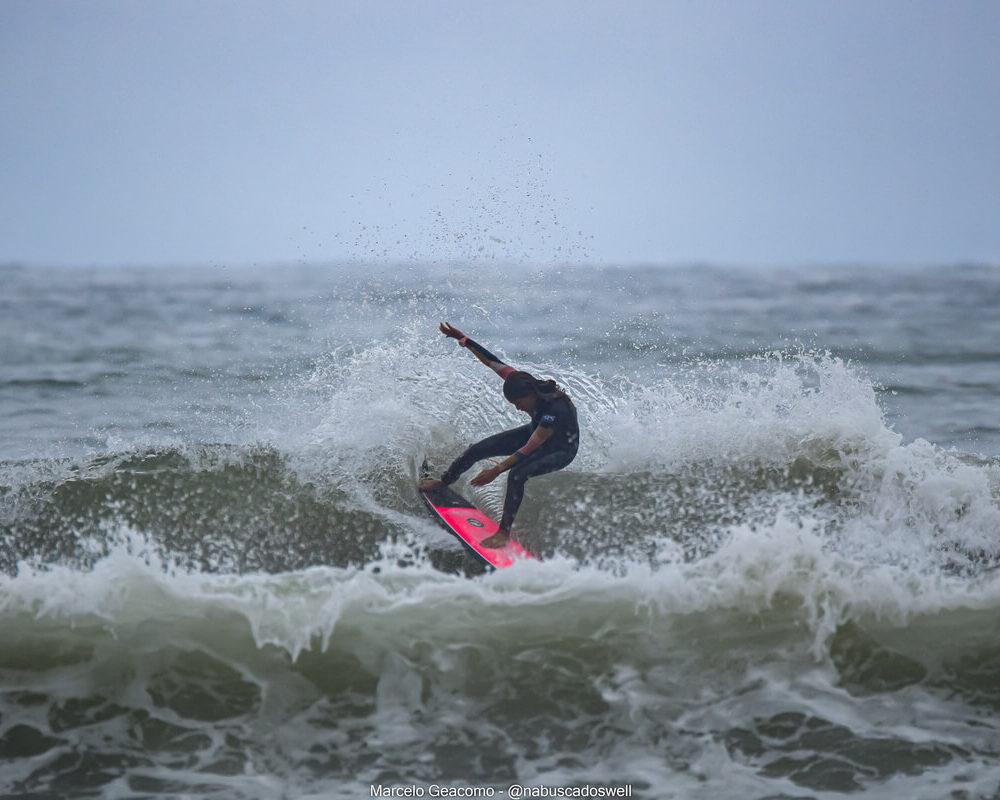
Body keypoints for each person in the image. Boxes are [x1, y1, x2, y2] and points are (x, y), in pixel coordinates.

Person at [419, 322, 579, 548]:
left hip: (561, 449)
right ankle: (443, 482)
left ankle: (504, 533)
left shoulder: (553, 411)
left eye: (518, 403)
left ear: (529, 395)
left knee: (516, 475)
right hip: (536, 434)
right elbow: (491, 361)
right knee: (477, 449)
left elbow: (530, 447)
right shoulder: (521, 382)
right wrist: (464, 340)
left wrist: (496, 469)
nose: (517, 408)